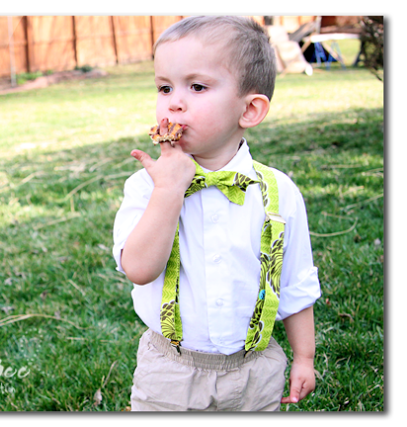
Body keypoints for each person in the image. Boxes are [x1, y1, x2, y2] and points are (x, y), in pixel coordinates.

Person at [112, 15, 321, 411]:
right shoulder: (146, 186)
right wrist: (169, 191)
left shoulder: (279, 192)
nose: (174, 101)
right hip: (170, 372)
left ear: (250, 110)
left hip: (256, 370)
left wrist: (304, 357)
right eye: (164, 87)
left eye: (197, 86)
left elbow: (296, 282)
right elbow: (138, 269)